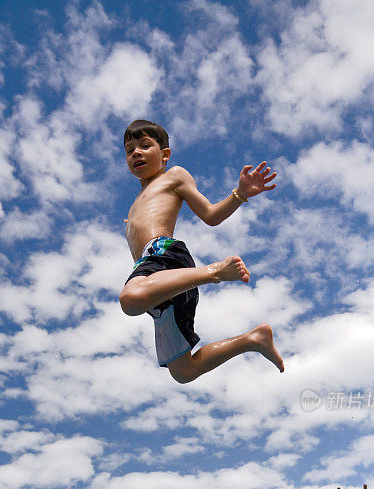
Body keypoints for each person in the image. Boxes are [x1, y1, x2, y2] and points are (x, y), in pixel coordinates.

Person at [119, 119, 284, 384]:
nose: (135, 152)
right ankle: (252, 339)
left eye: (145, 145)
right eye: (129, 150)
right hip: (159, 280)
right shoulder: (135, 203)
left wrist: (240, 194)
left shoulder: (173, 176)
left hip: (164, 256)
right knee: (183, 371)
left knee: (130, 299)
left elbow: (210, 215)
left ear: (165, 155)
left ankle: (215, 271)